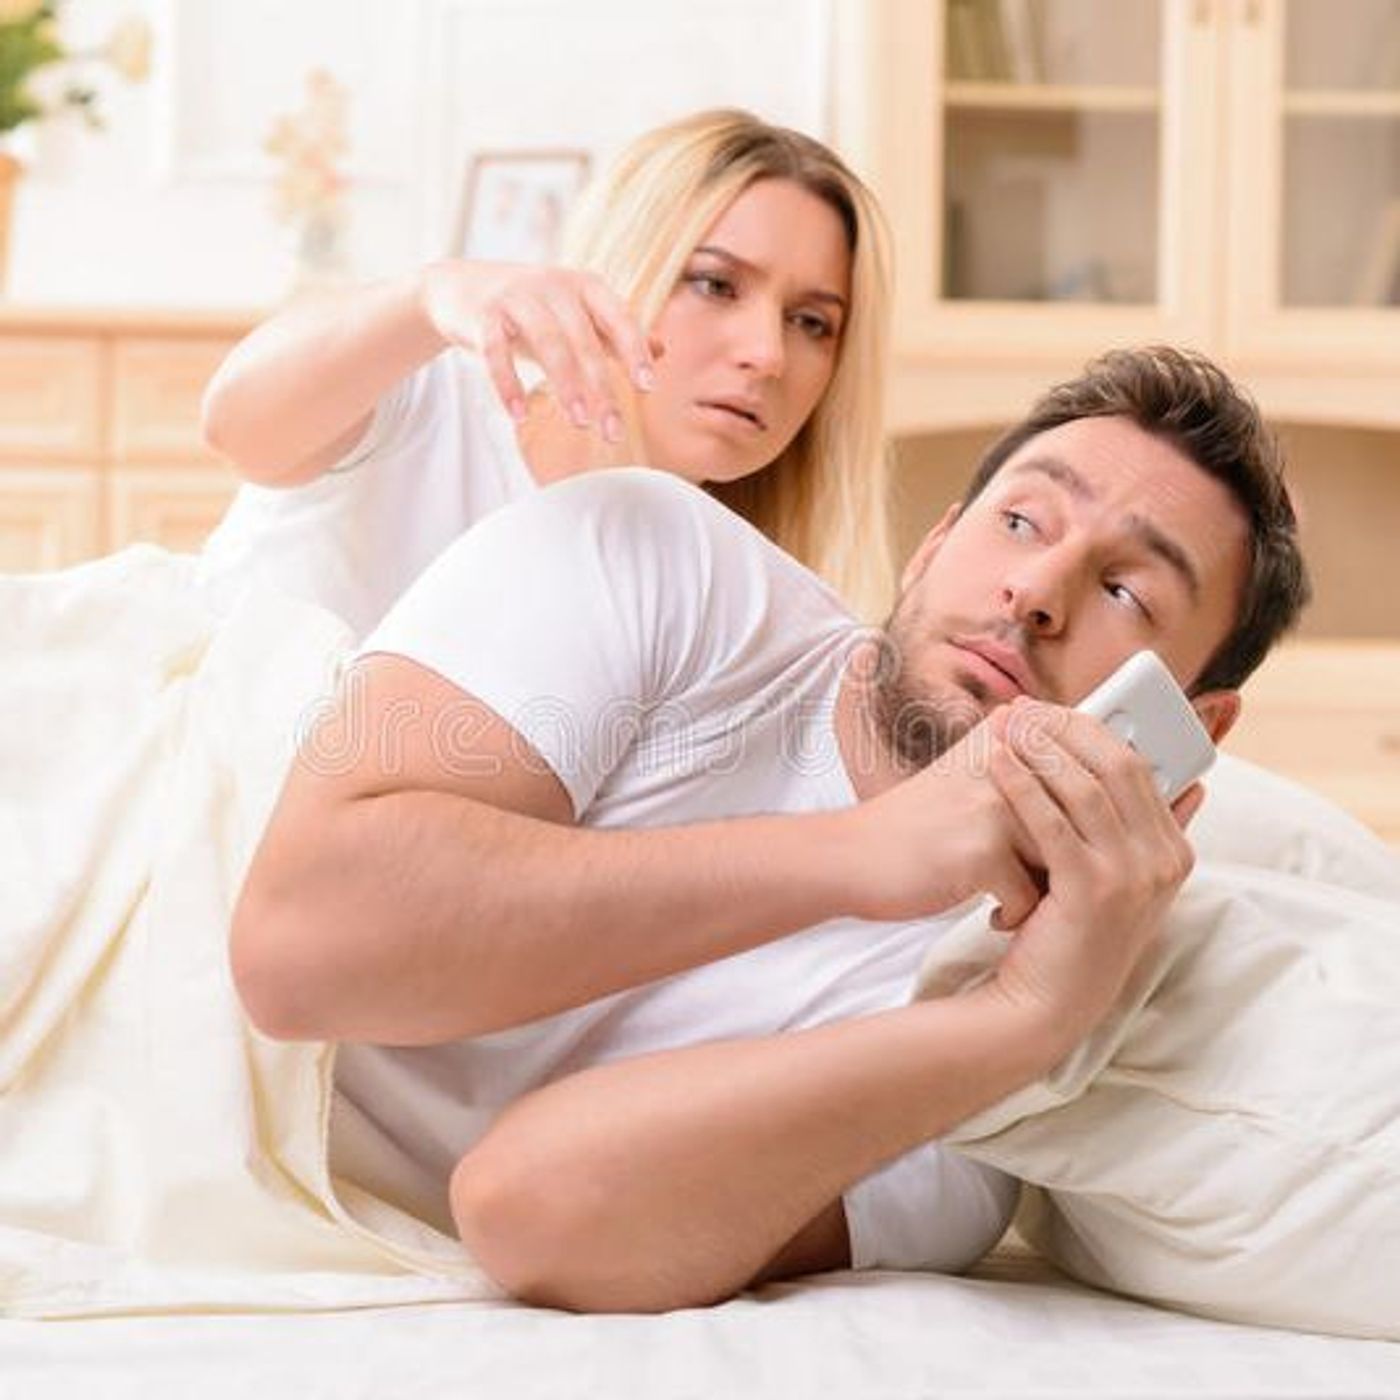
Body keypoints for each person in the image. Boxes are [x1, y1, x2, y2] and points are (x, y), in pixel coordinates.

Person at [230, 345, 1311, 1315]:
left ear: (1194, 729)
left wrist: (1021, 1019)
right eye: (1020, 522)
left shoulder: (971, 1079)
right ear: (934, 545)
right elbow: (294, 950)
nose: (1035, 590)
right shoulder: (653, 553)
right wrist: (856, 855)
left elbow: (530, 1211)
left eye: (1126, 591)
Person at [196, 107, 896, 636]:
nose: (768, 354)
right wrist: (426, 296)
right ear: (624, 266)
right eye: (715, 284)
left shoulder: (727, 596)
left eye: (812, 322)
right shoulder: (432, 400)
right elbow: (237, 427)